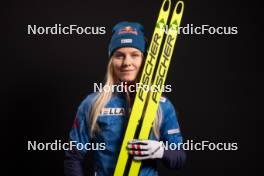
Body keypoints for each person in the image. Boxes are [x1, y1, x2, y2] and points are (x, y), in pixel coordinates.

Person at [64, 21, 186, 176]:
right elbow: (73, 157)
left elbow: (179, 158)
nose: (127, 62)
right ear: (111, 61)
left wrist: (161, 151)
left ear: (144, 60)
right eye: (119, 55)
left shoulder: (162, 105)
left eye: (135, 55)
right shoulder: (92, 104)